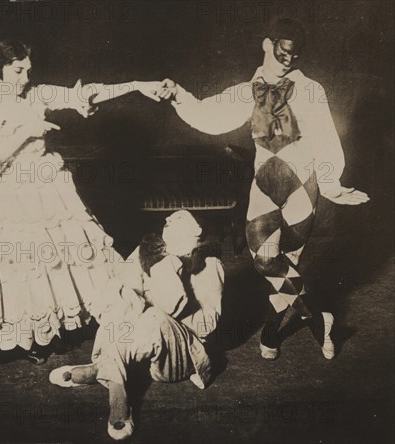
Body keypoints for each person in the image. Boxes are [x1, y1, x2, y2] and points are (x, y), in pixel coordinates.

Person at [0, 40, 162, 363]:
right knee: (16, 265)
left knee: (51, 261)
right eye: (18, 70)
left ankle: (44, 334)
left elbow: (85, 93)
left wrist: (137, 86)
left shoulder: (37, 94)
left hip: (45, 185)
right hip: (5, 192)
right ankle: (20, 335)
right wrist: (28, 130)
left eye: (29, 69)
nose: (26, 77)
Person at [155, 18, 369, 360]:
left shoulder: (311, 89)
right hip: (265, 185)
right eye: (283, 51)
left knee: (289, 264)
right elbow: (210, 116)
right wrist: (177, 93)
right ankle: (318, 319)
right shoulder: (247, 90)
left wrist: (331, 183)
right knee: (268, 261)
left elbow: (327, 139)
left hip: (302, 185)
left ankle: (270, 333)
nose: (289, 60)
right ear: (267, 44)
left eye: (296, 55)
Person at [49, 210, 225, 440]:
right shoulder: (149, 251)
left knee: (156, 318)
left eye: (179, 218)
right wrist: (130, 302)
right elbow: (119, 289)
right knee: (120, 310)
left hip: (179, 355)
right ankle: (118, 395)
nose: (168, 220)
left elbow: (208, 325)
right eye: (169, 218)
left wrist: (169, 293)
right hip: (140, 352)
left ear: (196, 231)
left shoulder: (209, 265)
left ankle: (99, 371)